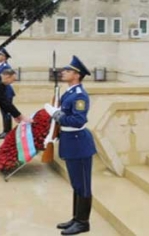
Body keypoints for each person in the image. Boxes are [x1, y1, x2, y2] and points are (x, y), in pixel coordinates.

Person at [45, 55, 96, 235]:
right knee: (76, 183)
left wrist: (56, 114)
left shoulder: (80, 95)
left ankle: (83, 222)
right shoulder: (69, 92)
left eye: (67, 71)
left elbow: (78, 119)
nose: (63, 72)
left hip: (79, 143)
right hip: (69, 141)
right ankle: (76, 218)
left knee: (83, 184)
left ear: (77, 75)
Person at [0, 48, 16, 139]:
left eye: (0, 54)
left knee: (7, 112)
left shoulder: (6, 67)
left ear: (4, 57)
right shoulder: (0, 66)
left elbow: (3, 79)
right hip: (2, 92)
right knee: (4, 112)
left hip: (6, 92)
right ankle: (5, 131)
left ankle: (7, 132)